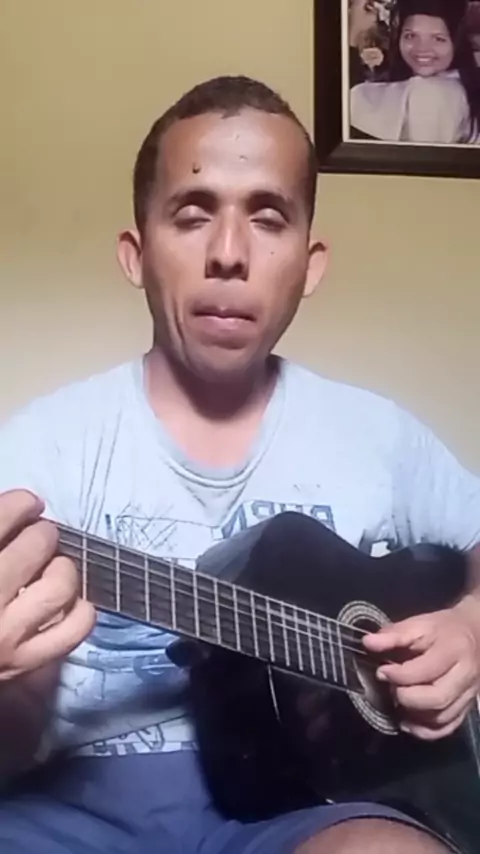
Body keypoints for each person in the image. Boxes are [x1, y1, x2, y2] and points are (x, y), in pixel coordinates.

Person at [0, 74, 479, 854]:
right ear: (136, 254)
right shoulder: (39, 451)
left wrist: (471, 626)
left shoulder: (377, 433)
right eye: (193, 215)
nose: (229, 254)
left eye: (268, 217)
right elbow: (13, 742)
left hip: (310, 802)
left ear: (310, 265)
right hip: (78, 807)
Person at [350, 0, 480, 143]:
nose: (422, 49)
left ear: (456, 43)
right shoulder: (462, 84)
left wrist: (353, 34)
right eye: (411, 36)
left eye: (438, 39)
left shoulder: (431, 93)